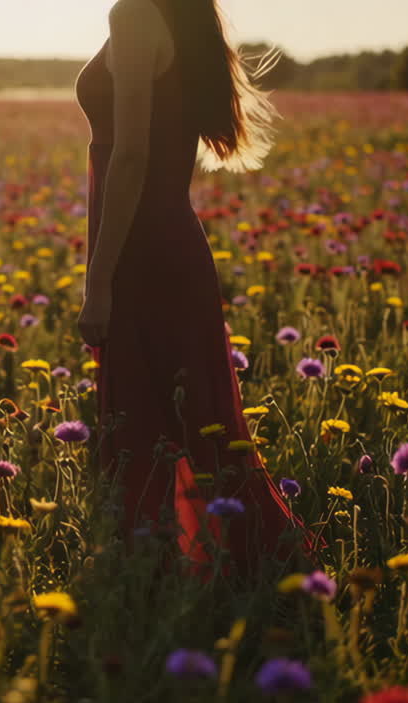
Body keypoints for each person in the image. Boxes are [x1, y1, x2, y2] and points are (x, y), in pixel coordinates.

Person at [74, 0, 312, 578]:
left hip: (142, 251)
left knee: (144, 423)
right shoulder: (176, 18)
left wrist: (99, 280)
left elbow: (130, 155)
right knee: (194, 422)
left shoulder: (133, 15)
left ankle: (154, 575)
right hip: (167, 244)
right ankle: (227, 570)